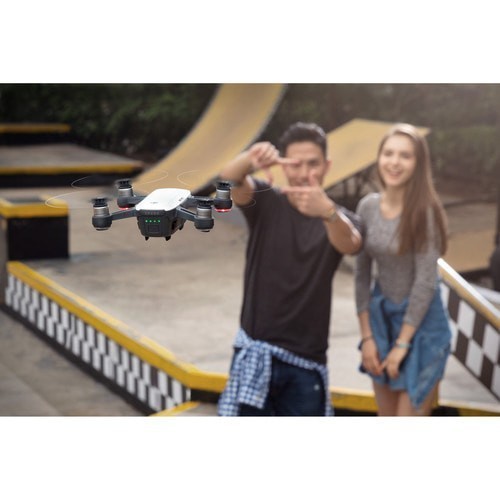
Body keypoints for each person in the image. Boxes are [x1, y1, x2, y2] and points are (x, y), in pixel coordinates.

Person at [217, 122, 362, 416]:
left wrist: (328, 213)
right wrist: (251, 158)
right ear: (283, 165)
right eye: (295, 164)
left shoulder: (340, 218)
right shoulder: (267, 200)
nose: (304, 173)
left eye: (313, 164)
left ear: (327, 166)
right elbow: (228, 182)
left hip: (305, 363)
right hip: (255, 350)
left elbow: (351, 244)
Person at [355, 123, 452, 416]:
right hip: (381, 321)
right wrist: (367, 338)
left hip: (421, 328)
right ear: (379, 157)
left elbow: (425, 282)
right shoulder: (367, 207)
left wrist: (402, 344)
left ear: (418, 164)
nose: (394, 162)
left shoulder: (425, 212)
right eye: (388, 153)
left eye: (405, 156)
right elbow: (361, 276)